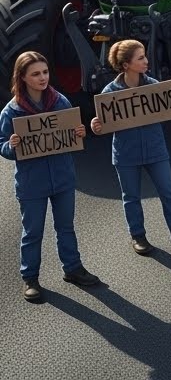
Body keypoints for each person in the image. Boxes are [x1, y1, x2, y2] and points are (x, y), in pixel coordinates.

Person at [1, 52, 101, 303]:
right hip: (32, 183)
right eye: (36, 74)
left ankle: (73, 269)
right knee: (32, 232)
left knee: (65, 227)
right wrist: (11, 146)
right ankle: (31, 278)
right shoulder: (11, 111)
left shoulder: (61, 102)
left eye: (45, 72)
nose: (43, 77)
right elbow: (2, 145)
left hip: (63, 178)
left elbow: (71, 135)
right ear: (22, 77)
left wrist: (79, 133)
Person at [89, 40, 171, 257]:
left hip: (155, 150)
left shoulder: (154, 86)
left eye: (145, 56)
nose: (146, 61)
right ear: (125, 64)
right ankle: (138, 236)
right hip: (126, 153)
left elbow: (167, 111)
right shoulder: (110, 92)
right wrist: (96, 126)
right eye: (140, 58)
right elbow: (104, 125)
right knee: (131, 197)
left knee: (168, 192)